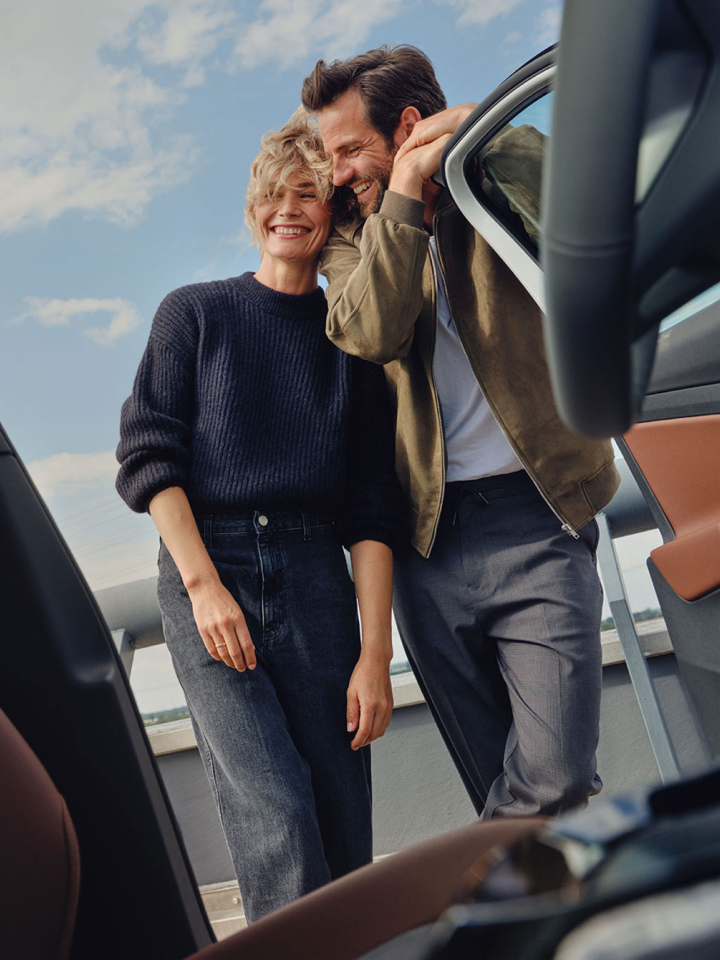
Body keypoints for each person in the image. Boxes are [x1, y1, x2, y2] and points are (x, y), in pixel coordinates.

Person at [300, 46, 621, 819]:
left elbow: (591, 231)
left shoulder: (499, 162)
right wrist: (402, 192)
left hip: (539, 517)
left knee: (555, 778)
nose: (337, 172)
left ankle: (483, 913)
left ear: (407, 123)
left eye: (348, 149)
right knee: (497, 786)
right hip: (428, 544)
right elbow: (370, 330)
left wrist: (485, 134)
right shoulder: (356, 232)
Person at [116, 114, 406, 922]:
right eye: (274, 194)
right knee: (275, 812)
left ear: (330, 214)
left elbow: (372, 509)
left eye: (309, 194)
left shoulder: (351, 346)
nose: (288, 209)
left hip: (318, 581)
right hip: (210, 572)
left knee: (343, 823)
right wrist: (205, 587)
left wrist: (375, 653)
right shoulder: (193, 314)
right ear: (253, 210)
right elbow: (148, 457)